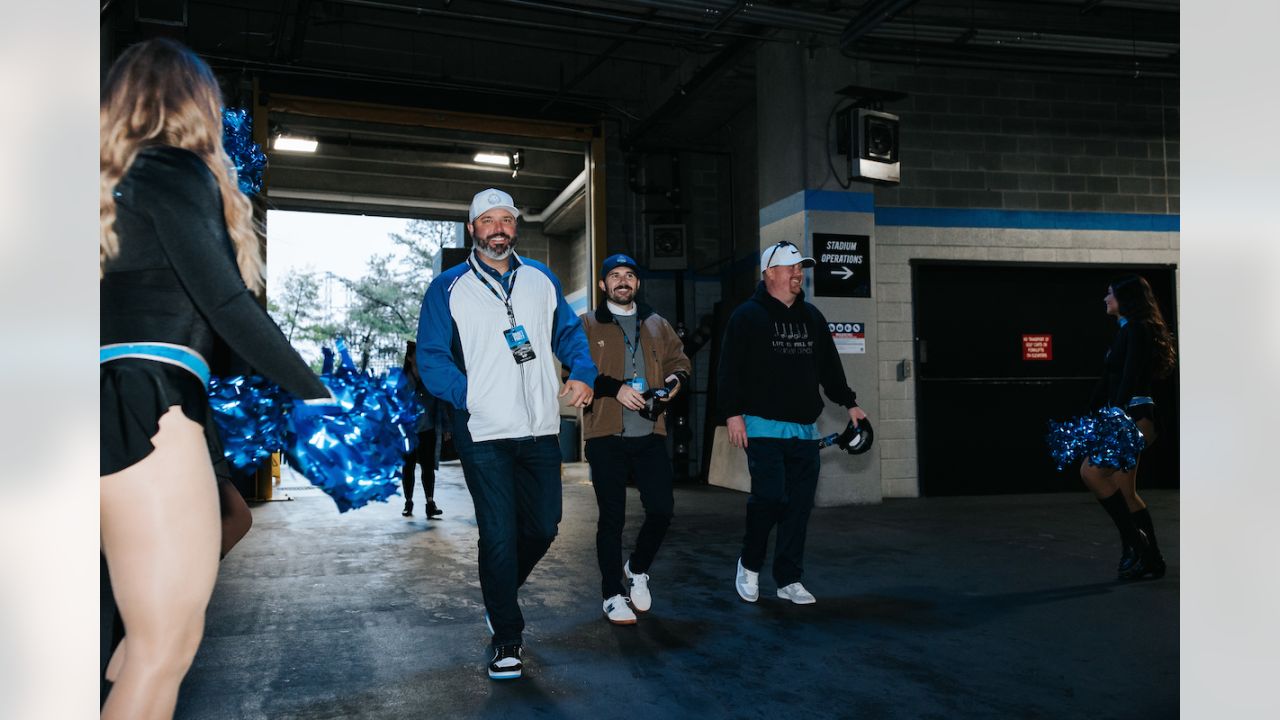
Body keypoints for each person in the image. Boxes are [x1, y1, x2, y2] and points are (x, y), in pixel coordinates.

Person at [99, 38, 334, 718]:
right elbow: (226, 305)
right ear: (195, 106)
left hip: (101, 402)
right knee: (160, 648)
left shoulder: (112, 187)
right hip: (149, 405)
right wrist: (319, 392)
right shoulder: (175, 170)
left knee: (125, 643)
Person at [415, 188, 597, 681]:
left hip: (540, 427)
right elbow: (429, 356)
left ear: (515, 227)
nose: (499, 228)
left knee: (542, 526)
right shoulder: (447, 289)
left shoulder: (541, 279)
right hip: (483, 431)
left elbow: (569, 334)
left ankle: (499, 594)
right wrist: (470, 396)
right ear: (473, 228)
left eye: (507, 220)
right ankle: (507, 639)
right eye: (488, 220)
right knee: (498, 532)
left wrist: (582, 370)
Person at [717, 240, 869, 606]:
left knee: (799, 506)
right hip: (762, 426)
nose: (798, 274)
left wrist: (851, 405)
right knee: (769, 498)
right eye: (790, 268)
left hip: (804, 430)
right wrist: (732, 414)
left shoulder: (812, 318)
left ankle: (788, 579)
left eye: (801, 268)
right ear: (769, 273)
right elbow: (729, 370)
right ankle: (750, 564)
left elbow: (830, 369)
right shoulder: (746, 316)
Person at [580, 254, 691, 624]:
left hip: (650, 432)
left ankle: (638, 567)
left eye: (629, 275)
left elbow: (681, 362)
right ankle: (612, 594)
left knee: (662, 509)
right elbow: (574, 367)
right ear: (603, 285)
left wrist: (674, 385)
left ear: (637, 284)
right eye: (614, 276)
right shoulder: (587, 324)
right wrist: (614, 389)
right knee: (611, 517)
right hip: (605, 434)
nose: (622, 281)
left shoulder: (656, 323)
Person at [1079, 274, 1176, 579]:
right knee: (1125, 491)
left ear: (1127, 299)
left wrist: (1112, 415)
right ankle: (1152, 560)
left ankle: (1137, 544)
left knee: (1091, 472)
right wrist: (1093, 412)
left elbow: (1130, 377)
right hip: (1130, 415)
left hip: (1134, 416)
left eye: (1110, 294)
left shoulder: (1136, 329)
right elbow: (1111, 379)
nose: (1105, 299)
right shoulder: (1128, 330)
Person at [400, 340, 445, 518]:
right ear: (410, 358)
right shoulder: (403, 379)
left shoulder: (429, 376)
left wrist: (445, 426)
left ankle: (430, 503)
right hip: (408, 430)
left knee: (428, 467)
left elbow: (439, 402)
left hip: (428, 427)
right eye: (417, 354)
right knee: (408, 467)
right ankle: (408, 502)